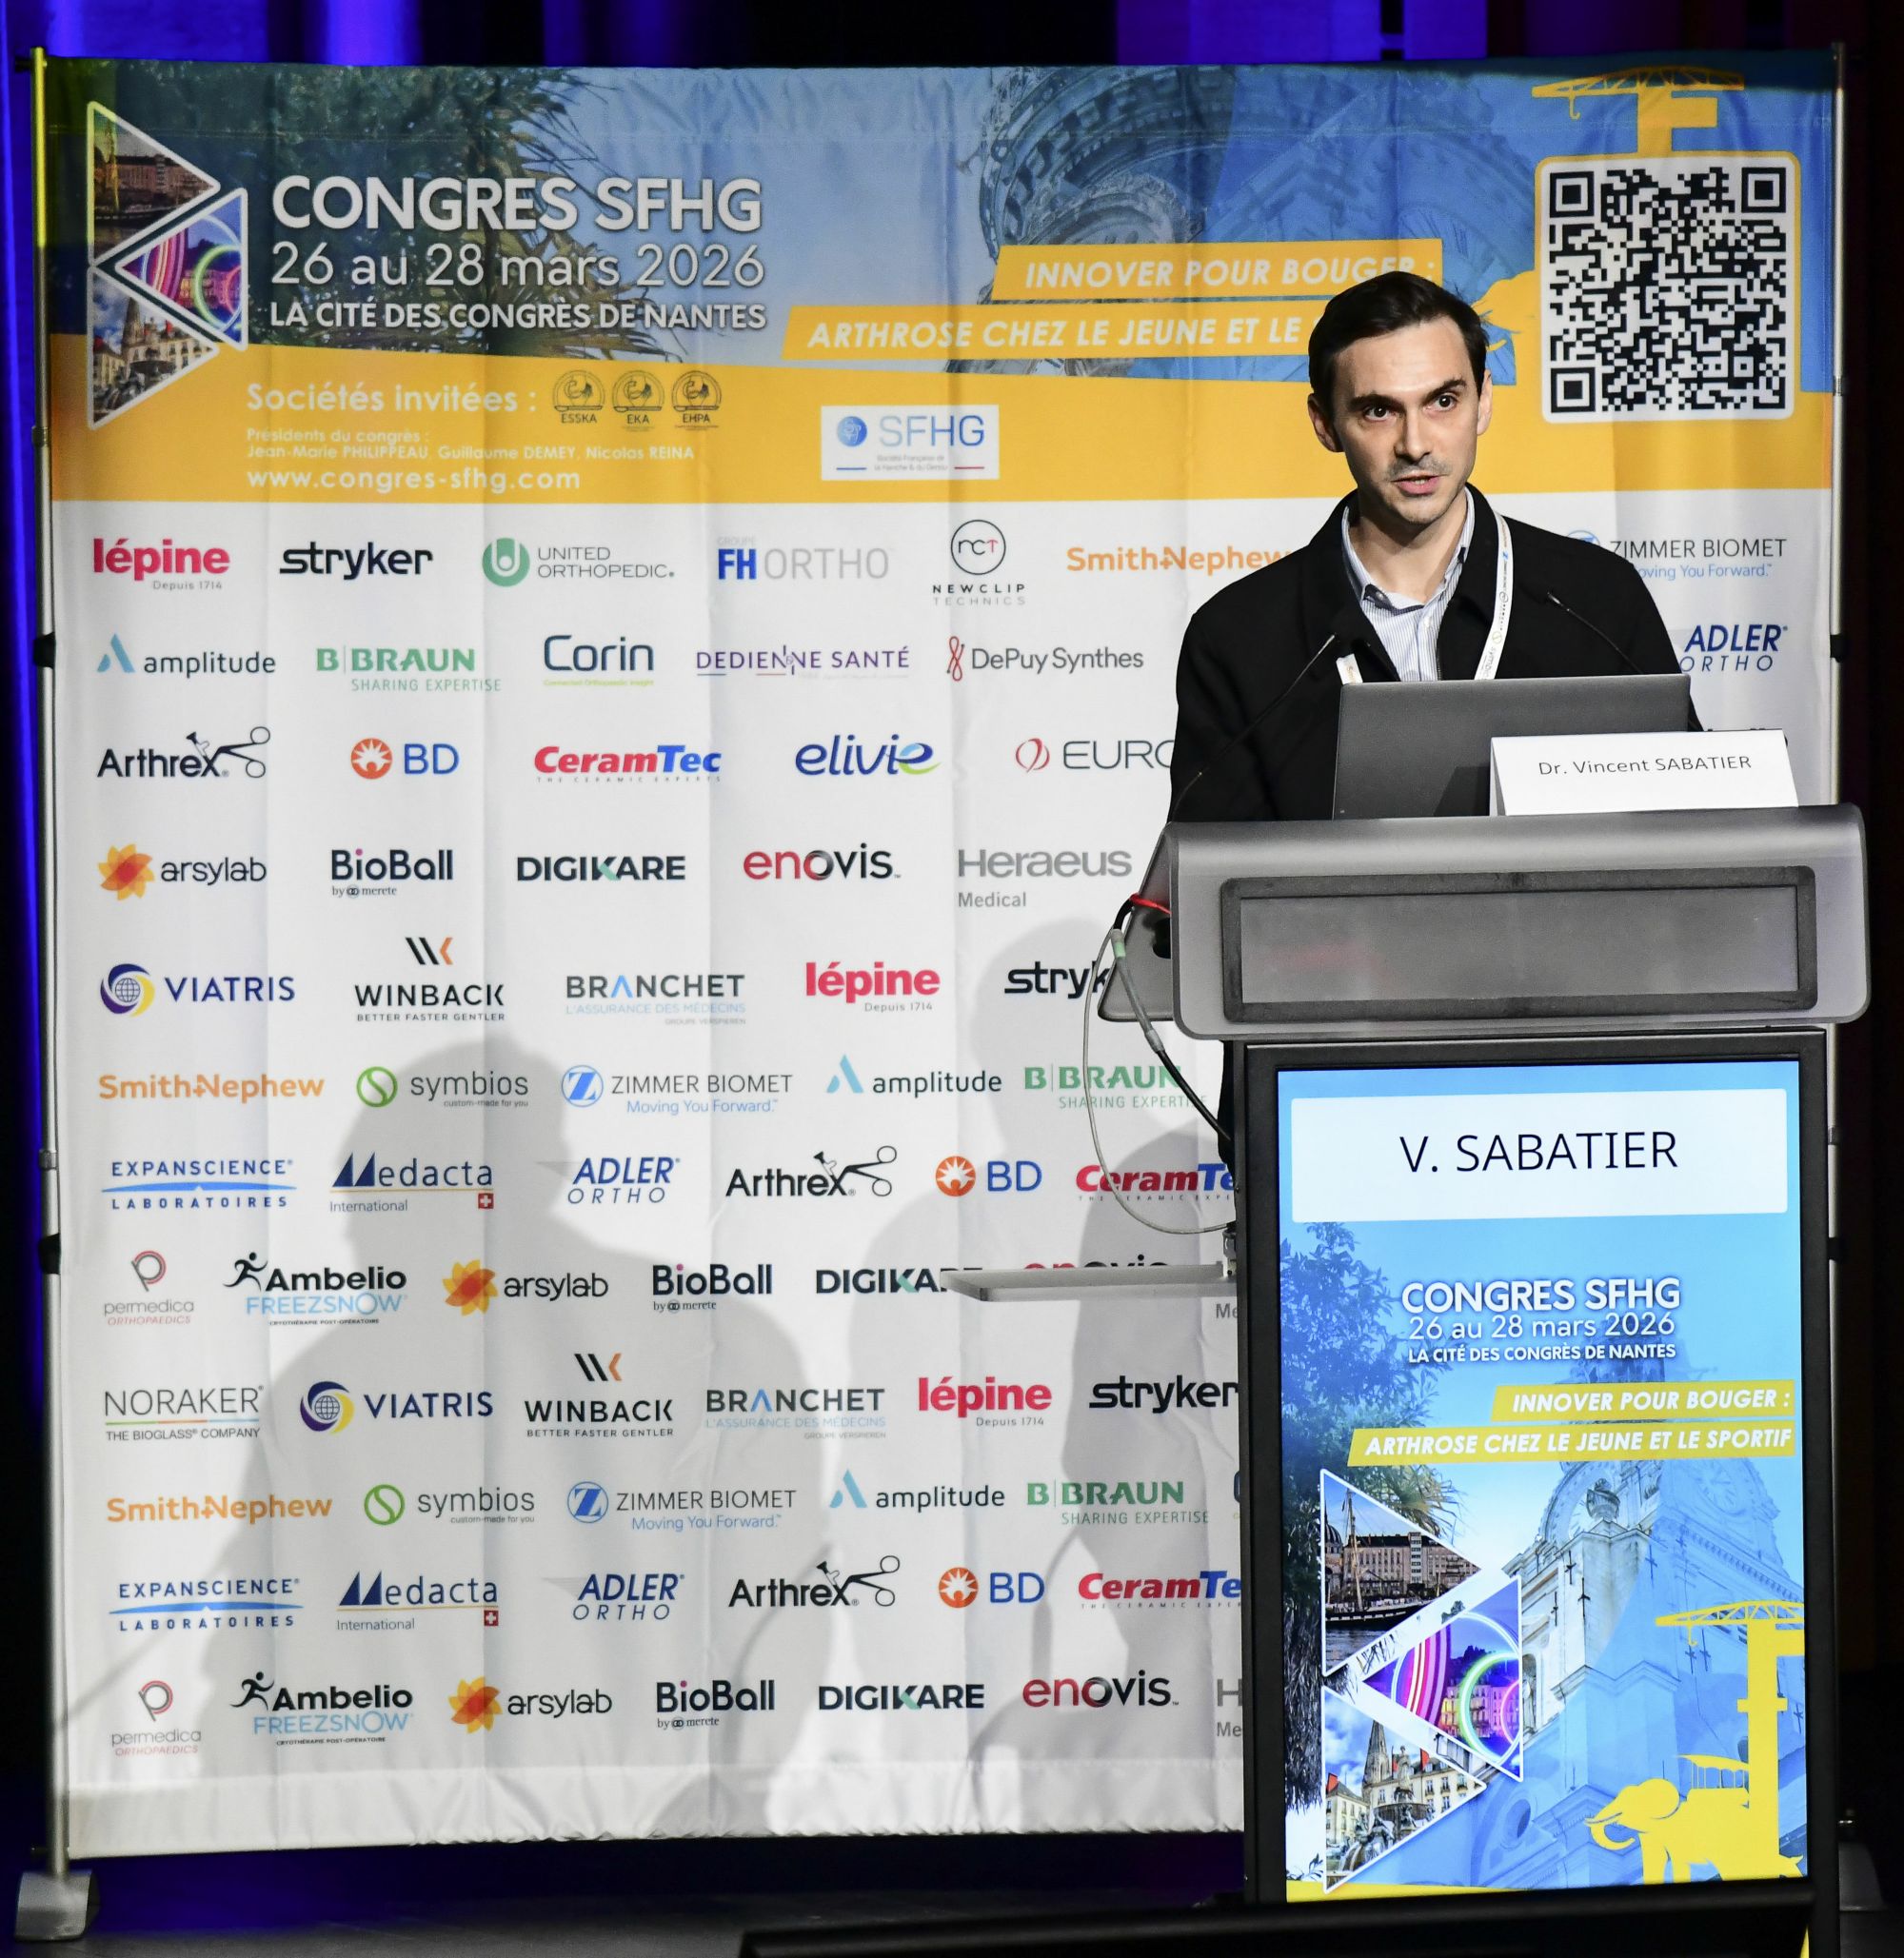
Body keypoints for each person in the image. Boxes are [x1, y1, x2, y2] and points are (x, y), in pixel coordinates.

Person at [1168, 270, 1682, 825]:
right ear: (1325, 425)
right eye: (1378, 411)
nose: (1415, 445)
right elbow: (1215, 867)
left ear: (1483, 401)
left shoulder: (1596, 599)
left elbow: (1689, 829)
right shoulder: (1238, 636)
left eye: (1443, 401)